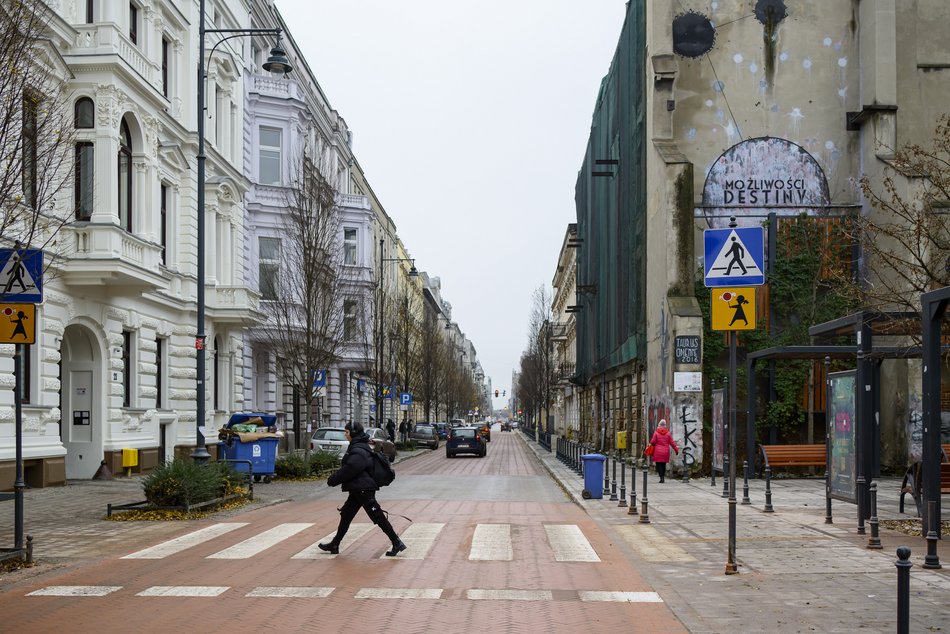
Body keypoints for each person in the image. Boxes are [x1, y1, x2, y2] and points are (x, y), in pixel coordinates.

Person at [319, 421, 406, 556]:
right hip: (358, 489)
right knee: (346, 516)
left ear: (353, 433)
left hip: (363, 490)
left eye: (347, 432)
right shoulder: (359, 446)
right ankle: (335, 544)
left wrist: (333, 480)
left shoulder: (358, 450)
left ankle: (396, 542)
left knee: (378, 516)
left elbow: (350, 469)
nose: (345, 434)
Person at [649, 419, 679, 483]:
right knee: (663, 464)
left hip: (657, 452)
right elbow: (672, 443)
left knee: (658, 465)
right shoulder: (668, 433)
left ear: (659, 425)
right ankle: (663, 476)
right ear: (665, 425)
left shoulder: (656, 433)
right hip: (665, 452)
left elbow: (653, 442)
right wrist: (676, 450)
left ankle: (661, 477)